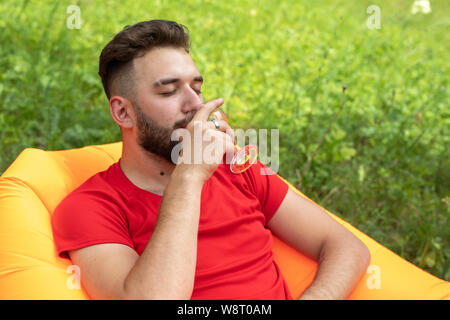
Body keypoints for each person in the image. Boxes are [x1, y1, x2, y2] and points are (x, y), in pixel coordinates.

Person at [51, 19, 370, 300]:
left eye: (197, 88)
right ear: (123, 112)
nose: (194, 103)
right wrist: (189, 176)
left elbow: (347, 247)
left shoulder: (237, 170)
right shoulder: (91, 207)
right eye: (169, 91)